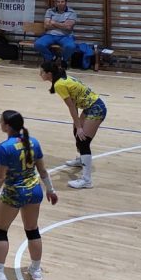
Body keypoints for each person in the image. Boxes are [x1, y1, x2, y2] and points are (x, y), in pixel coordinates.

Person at [0, 110, 58, 280]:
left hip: (14, 193)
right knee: (32, 230)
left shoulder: (4, 147)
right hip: (34, 191)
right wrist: (50, 190)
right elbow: (43, 171)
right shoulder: (33, 142)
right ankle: (35, 269)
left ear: (7, 126)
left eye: (1, 121)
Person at [41, 60, 106, 189]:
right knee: (77, 132)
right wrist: (77, 125)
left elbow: (71, 106)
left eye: (42, 72)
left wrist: (79, 126)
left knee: (83, 141)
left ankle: (87, 180)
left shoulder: (59, 84)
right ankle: (81, 160)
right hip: (90, 107)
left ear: (49, 74)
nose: (40, 74)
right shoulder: (62, 79)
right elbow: (74, 103)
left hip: (96, 108)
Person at [35, 0, 78, 66]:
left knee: (71, 46)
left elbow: (68, 27)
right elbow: (46, 26)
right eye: (58, 2)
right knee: (38, 44)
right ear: (56, 3)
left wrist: (54, 23)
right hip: (50, 35)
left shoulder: (72, 13)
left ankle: (63, 60)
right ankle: (52, 58)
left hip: (66, 36)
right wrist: (62, 25)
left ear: (66, 2)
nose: (60, 4)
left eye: (62, 1)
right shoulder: (50, 11)